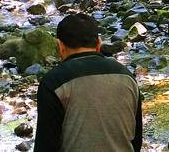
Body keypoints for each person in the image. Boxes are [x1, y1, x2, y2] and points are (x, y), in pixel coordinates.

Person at [34, 14, 143, 152]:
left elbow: (46, 145)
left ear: (60, 46)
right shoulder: (127, 77)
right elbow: (136, 140)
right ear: (98, 44)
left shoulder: (54, 82)